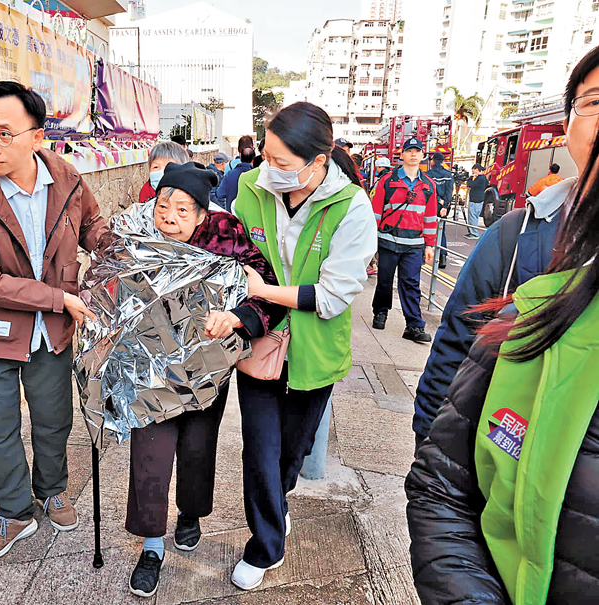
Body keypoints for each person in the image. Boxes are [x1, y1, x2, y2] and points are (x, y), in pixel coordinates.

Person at [406, 45, 599, 603]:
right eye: (593, 101)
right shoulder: (518, 239)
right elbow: (455, 346)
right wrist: (433, 447)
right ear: (568, 129)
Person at [0, 82, 110, 561]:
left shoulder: (67, 179)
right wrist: (60, 298)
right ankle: (15, 512)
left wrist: (122, 253)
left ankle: (53, 490)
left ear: (37, 137)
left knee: (54, 420)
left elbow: (93, 229)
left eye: (4, 134)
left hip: (51, 336)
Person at [231, 102, 377, 591]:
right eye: (265, 157)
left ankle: (279, 501)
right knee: (259, 450)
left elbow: (334, 295)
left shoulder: (352, 206)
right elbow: (231, 256)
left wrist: (264, 290)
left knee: (290, 454)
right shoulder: (250, 192)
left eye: (282, 163)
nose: (268, 171)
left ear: (320, 162)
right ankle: (265, 545)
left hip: (316, 351)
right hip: (260, 342)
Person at [123, 162, 284, 598]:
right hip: (149, 369)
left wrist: (236, 318)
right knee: (150, 454)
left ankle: (189, 514)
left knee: (197, 449)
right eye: (162, 206)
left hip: (204, 373)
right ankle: (152, 545)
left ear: (201, 215)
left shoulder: (227, 238)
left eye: (181, 210)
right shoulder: (138, 237)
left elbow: (267, 293)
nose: (169, 218)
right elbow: (111, 286)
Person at [371, 137, 438, 343]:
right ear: (402, 155)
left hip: (414, 245)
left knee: (411, 284)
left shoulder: (428, 185)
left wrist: (430, 244)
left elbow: (430, 217)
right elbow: (375, 213)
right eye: (410, 151)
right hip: (388, 241)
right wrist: (370, 242)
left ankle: (414, 325)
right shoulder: (387, 181)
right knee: (384, 281)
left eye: (417, 151)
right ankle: (380, 313)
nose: (413, 154)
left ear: (423, 156)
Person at [427, 152, 455, 269]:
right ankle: (442, 258)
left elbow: (428, 190)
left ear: (432, 161)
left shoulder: (428, 175)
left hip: (430, 205)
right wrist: (445, 206)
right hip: (443, 207)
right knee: (441, 231)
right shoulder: (448, 175)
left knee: (427, 228)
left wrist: (437, 199)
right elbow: (449, 192)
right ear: (442, 161)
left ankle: (425, 255)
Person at [217, 147, 256, 211]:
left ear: (240, 158)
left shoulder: (230, 174)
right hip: (250, 214)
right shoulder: (256, 175)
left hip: (233, 215)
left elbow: (220, 193)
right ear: (253, 159)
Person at [466, 163, 488, 239]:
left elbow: (470, 184)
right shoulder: (483, 178)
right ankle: (471, 231)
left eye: (473, 170)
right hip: (478, 199)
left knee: (473, 216)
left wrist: (470, 178)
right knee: (473, 216)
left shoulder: (480, 178)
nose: (472, 172)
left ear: (476, 169)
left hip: (476, 200)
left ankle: (474, 233)